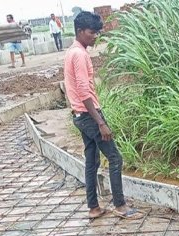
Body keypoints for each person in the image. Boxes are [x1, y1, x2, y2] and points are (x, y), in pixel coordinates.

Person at [64, 11, 140, 220]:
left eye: (97, 32)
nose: (95, 36)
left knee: (92, 161)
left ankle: (94, 208)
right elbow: (83, 91)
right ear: (80, 31)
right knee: (115, 158)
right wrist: (100, 122)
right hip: (89, 115)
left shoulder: (72, 51)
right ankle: (120, 206)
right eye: (92, 32)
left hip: (79, 114)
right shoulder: (79, 55)